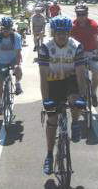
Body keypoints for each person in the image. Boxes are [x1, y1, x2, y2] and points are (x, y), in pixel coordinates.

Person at [38, 16, 87, 175]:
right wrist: (46, 100)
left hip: (71, 79)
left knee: (76, 100)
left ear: (69, 32)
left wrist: (83, 97)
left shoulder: (76, 46)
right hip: (53, 82)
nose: (62, 35)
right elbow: (43, 78)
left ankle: (74, 122)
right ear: (53, 32)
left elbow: (80, 75)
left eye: (65, 32)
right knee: (52, 118)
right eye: (59, 32)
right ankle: (49, 155)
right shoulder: (45, 47)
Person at [71, 3, 98, 107]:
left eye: (83, 14)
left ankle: (93, 93)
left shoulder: (93, 24)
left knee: (96, 72)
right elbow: (69, 40)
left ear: (87, 14)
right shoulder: (73, 25)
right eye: (78, 14)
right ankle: (83, 95)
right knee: (80, 75)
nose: (81, 17)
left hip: (92, 51)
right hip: (79, 53)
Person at [0, 17, 23, 115]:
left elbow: (18, 53)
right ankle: (0, 103)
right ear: (1, 28)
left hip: (13, 59)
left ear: (11, 28)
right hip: (1, 61)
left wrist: (17, 65)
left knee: (18, 68)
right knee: (0, 82)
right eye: (4, 28)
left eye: (8, 28)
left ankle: (17, 84)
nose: (6, 31)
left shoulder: (16, 36)